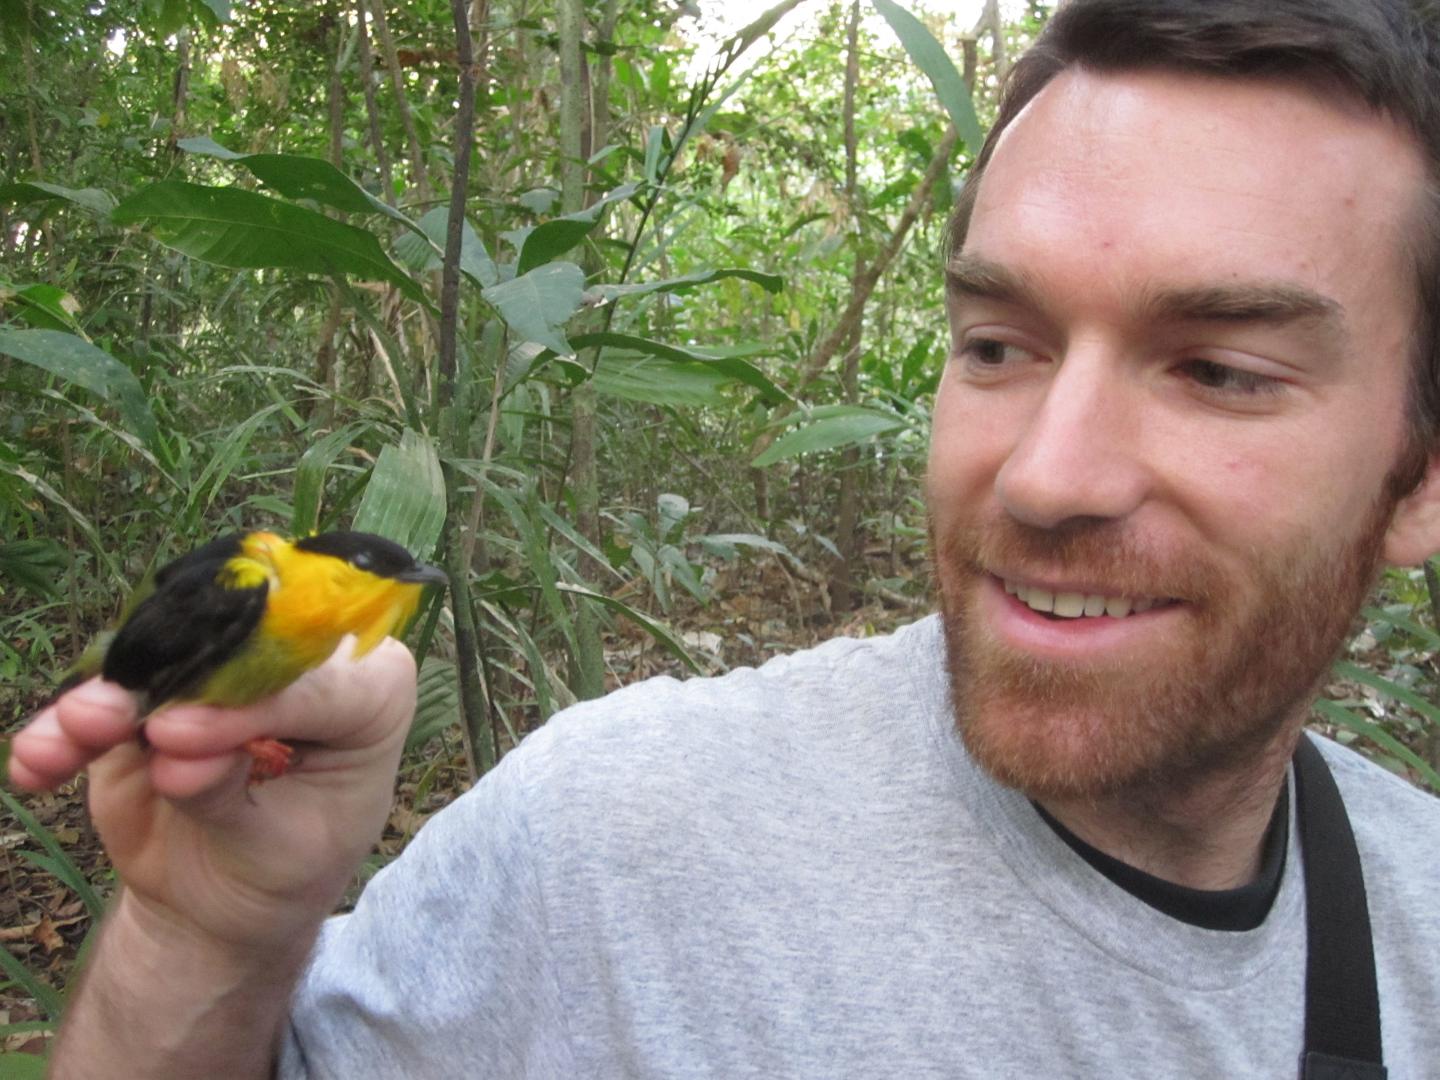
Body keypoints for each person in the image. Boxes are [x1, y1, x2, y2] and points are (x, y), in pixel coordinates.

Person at [12, 0, 1440, 1075]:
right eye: (998, 343)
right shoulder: (614, 837)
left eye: (1220, 371)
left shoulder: (1416, 923)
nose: (1046, 477)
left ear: (1420, 475)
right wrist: (206, 939)